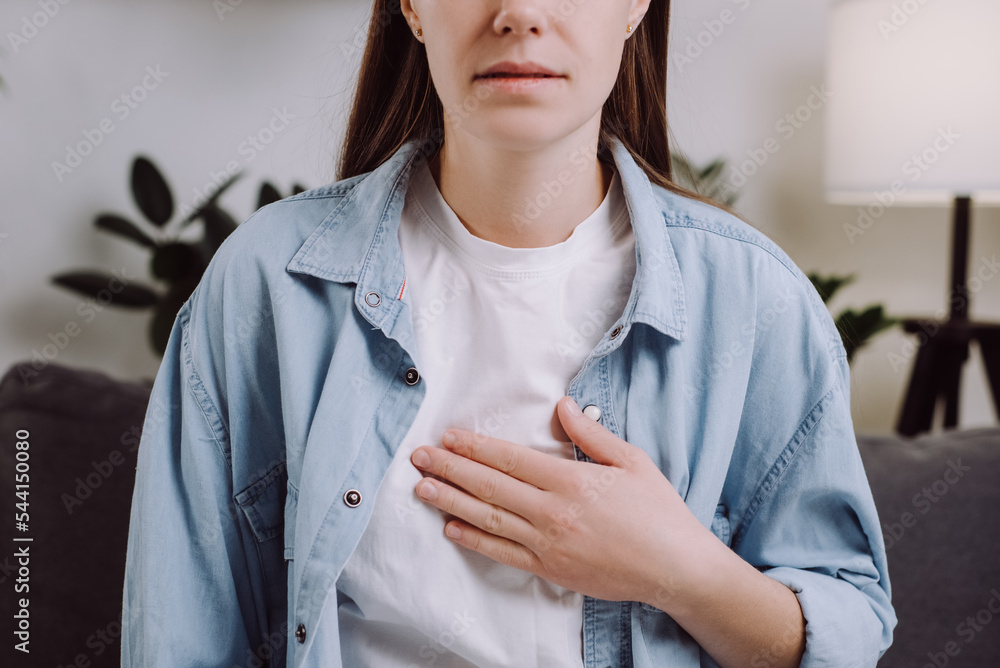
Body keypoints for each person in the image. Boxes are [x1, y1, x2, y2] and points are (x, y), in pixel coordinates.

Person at [121, 1, 896, 667]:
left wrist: (676, 570)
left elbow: (848, 629)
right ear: (412, 8)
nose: (519, 13)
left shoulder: (754, 301)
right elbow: (177, 636)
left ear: (635, 7)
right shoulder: (268, 284)